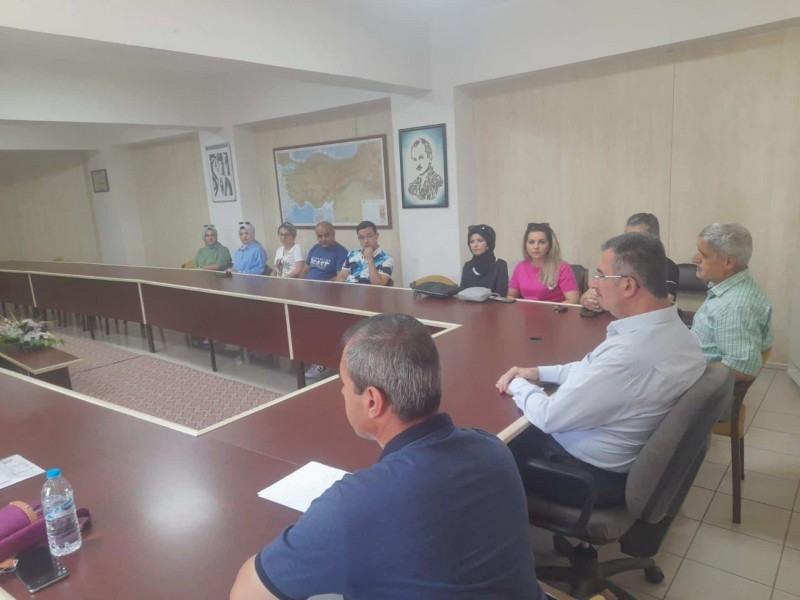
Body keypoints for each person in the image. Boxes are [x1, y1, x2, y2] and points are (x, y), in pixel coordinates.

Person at [230, 313, 546, 600]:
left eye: (344, 384)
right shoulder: (492, 449)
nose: (341, 392)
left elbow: (246, 594)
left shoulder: (350, 506)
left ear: (372, 401)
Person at [496, 232, 705, 507]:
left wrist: (517, 384)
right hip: (609, 455)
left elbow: (549, 416)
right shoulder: (677, 332)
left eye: (601, 275)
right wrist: (540, 372)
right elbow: (593, 368)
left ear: (628, 285)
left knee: (490, 455)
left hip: (582, 475)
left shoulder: (628, 356)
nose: (594, 284)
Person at [691, 222, 772, 381]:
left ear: (728, 262)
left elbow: (743, 370)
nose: (695, 259)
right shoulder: (728, 286)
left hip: (700, 383)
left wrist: (685, 368)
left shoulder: (735, 306)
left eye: (704, 255)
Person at [581, 212, 680, 312]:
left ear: (656, 239)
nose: (628, 244)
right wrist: (587, 300)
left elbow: (658, 306)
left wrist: (608, 301)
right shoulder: (620, 263)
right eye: (626, 237)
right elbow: (591, 292)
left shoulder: (667, 266)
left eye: (637, 238)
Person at [507, 222, 579, 302]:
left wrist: (553, 309)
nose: (536, 247)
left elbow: (573, 300)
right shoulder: (520, 267)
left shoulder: (562, 267)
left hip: (554, 309)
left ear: (550, 245)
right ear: (525, 245)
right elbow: (510, 296)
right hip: (526, 309)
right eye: (531, 242)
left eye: (542, 242)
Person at [335, 220, 393, 285]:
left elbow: (378, 285)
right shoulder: (353, 253)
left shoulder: (386, 258)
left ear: (377, 236)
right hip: (349, 290)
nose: (366, 241)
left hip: (370, 291)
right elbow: (342, 277)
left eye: (369, 236)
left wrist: (370, 260)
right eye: (362, 237)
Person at [460, 224, 509, 295]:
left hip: (493, 302)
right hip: (468, 302)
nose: (475, 245)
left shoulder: (500, 265)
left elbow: (501, 295)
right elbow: (462, 293)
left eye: (480, 241)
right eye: (472, 242)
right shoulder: (468, 266)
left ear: (488, 243)